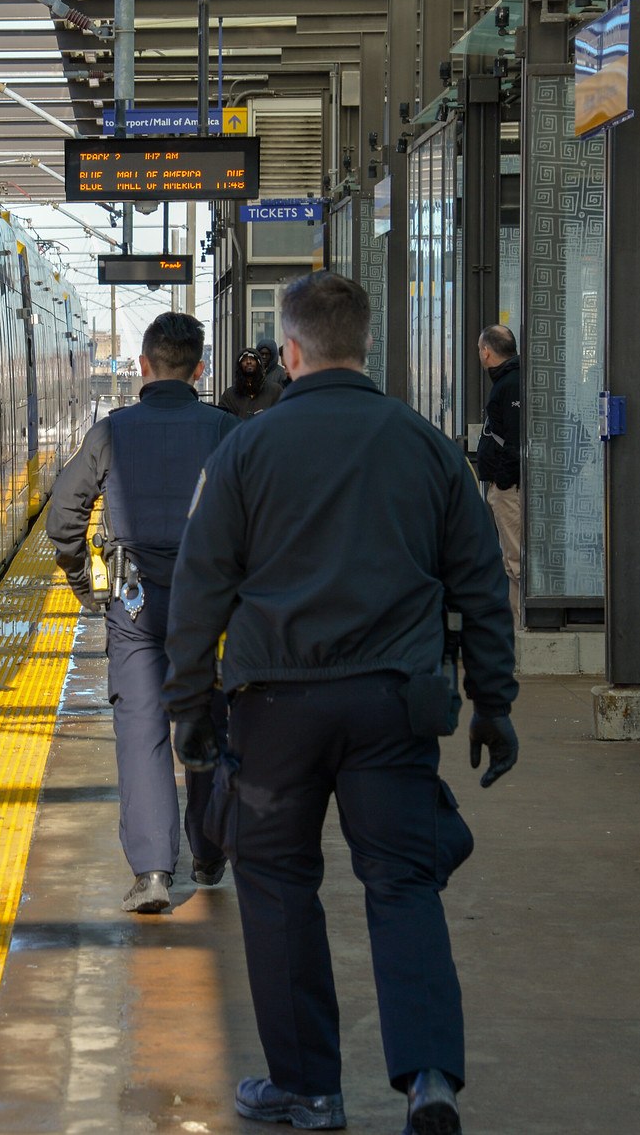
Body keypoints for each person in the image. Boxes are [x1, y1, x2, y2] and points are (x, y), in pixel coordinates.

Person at [164, 272, 517, 1135]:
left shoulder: (243, 452)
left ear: (288, 351)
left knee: (280, 885)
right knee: (403, 885)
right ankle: (429, 1079)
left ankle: (309, 1089)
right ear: (366, 343)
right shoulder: (426, 446)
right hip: (392, 706)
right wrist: (493, 701)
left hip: (274, 709)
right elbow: (481, 582)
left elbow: (199, 586)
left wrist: (190, 702)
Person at [46, 312, 239, 914]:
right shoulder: (226, 430)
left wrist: (85, 584)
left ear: (142, 367)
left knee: (142, 730)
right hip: (211, 606)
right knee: (210, 720)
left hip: (135, 606)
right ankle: (209, 854)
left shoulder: (112, 432)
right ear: (200, 368)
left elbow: (63, 519)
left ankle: (154, 873)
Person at [475, 325, 523, 620]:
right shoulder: (511, 380)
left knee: (515, 561)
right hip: (509, 486)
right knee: (511, 560)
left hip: (511, 489)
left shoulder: (509, 384)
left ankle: (522, 632)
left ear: (486, 351)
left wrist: (503, 481)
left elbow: (517, 441)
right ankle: (517, 630)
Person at [217, 347, 280, 419]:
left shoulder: (275, 391)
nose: (248, 362)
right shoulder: (229, 396)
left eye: (252, 359)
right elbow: (223, 421)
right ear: (239, 366)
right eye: (244, 360)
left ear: (259, 364)